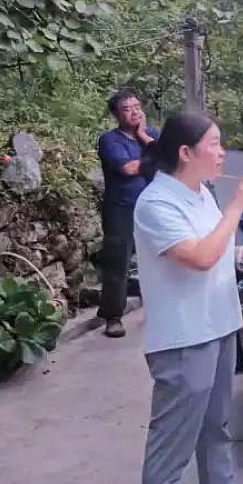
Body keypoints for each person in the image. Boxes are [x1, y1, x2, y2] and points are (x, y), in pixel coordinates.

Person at [133, 111, 243, 484]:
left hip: (218, 325)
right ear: (185, 152)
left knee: (216, 424)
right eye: (214, 143)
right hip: (183, 338)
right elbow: (198, 256)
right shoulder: (155, 203)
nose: (222, 151)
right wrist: (237, 210)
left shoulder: (200, 194)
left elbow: (214, 248)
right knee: (171, 443)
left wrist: (241, 253)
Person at [96, 88, 160, 339]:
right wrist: (153, 159)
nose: (134, 112)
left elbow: (170, 162)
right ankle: (113, 316)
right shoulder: (109, 140)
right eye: (126, 109)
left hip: (153, 206)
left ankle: (161, 308)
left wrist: (144, 136)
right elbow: (128, 168)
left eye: (136, 107)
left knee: (161, 257)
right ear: (116, 115)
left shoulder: (151, 134)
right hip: (121, 207)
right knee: (117, 263)